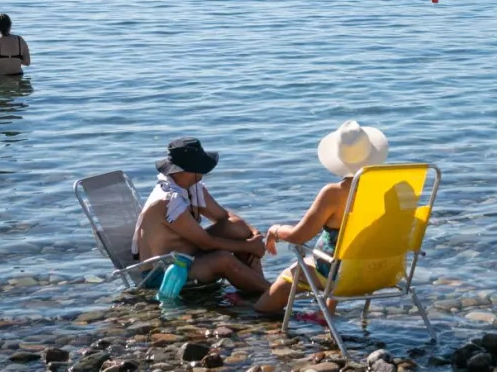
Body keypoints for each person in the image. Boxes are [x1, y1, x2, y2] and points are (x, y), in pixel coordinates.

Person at [254, 120, 388, 315]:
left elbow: (298, 236)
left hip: (341, 275)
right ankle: (325, 313)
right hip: (381, 270)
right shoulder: (389, 189)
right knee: (349, 250)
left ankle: (257, 317)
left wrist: (275, 229)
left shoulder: (334, 194)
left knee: (291, 274)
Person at [132, 137, 269, 293]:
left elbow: (224, 216)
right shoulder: (168, 200)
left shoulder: (192, 187)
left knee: (237, 228)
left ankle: (258, 287)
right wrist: (250, 246)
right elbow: (206, 243)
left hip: (188, 255)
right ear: (188, 170)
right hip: (164, 272)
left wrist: (254, 234)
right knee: (223, 259)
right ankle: (272, 293)